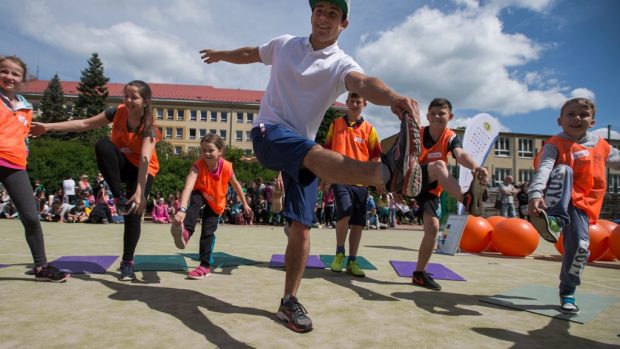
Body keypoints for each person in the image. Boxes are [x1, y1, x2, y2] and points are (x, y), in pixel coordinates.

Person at [200, 0, 422, 333]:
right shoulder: (285, 44)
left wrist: (393, 98)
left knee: (302, 229)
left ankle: (289, 301)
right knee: (314, 152)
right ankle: (384, 174)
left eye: (332, 14)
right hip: (269, 133)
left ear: (343, 24)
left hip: (303, 153)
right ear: (312, 15)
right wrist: (221, 54)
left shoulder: (340, 64)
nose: (323, 18)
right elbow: (250, 53)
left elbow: (363, 83)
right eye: (319, 11)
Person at [31, 80, 161, 281]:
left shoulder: (149, 127)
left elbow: (144, 160)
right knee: (102, 145)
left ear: (145, 101)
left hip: (143, 171)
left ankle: (127, 261)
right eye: (126, 95)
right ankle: (117, 198)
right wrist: (47, 127)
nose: (128, 100)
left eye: (134, 97)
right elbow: (84, 124)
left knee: (133, 214)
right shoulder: (116, 112)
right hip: (122, 165)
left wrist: (140, 193)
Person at [528, 98, 620, 315]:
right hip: (556, 195)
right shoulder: (555, 144)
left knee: (580, 248)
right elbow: (544, 168)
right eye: (571, 114)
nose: (577, 118)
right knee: (563, 170)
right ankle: (554, 220)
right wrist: (535, 193)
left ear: (593, 121)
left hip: (582, 205)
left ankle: (568, 290)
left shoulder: (601, 145)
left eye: (583, 114)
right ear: (560, 120)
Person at [0, 55, 69, 281]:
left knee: (31, 216)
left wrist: (24, 155)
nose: (8, 76)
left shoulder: (26, 107)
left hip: (15, 165)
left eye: (14, 74)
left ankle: (41, 267)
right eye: (4, 71)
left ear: (23, 80)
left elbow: (25, 137)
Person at [411, 98, 488, 291]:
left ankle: (419, 274)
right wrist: (394, 189)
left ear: (450, 117)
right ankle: (465, 199)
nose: (437, 117)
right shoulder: (417, 133)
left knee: (433, 228)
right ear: (427, 116)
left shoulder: (450, 136)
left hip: (430, 188)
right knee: (439, 165)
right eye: (433, 113)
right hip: (412, 179)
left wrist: (476, 167)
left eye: (442, 113)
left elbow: (461, 154)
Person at [171, 134, 251, 279]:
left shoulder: (226, 167)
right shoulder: (198, 165)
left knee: (207, 232)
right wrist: (182, 209)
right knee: (195, 200)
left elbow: (236, 185)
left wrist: (245, 203)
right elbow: (188, 188)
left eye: (210, 150)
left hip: (217, 202)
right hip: (201, 192)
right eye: (203, 150)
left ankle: (204, 266)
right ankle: (186, 233)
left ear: (220, 151)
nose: (206, 153)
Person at [323, 92, 383, 277]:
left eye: (359, 102)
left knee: (358, 222)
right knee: (345, 210)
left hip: (361, 182)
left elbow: (376, 157)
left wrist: (377, 179)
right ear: (347, 103)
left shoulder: (370, 129)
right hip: (340, 178)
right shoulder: (335, 124)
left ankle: (352, 261)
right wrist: (324, 176)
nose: (355, 104)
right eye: (352, 101)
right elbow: (325, 151)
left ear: (364, 104)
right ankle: (339, 253)